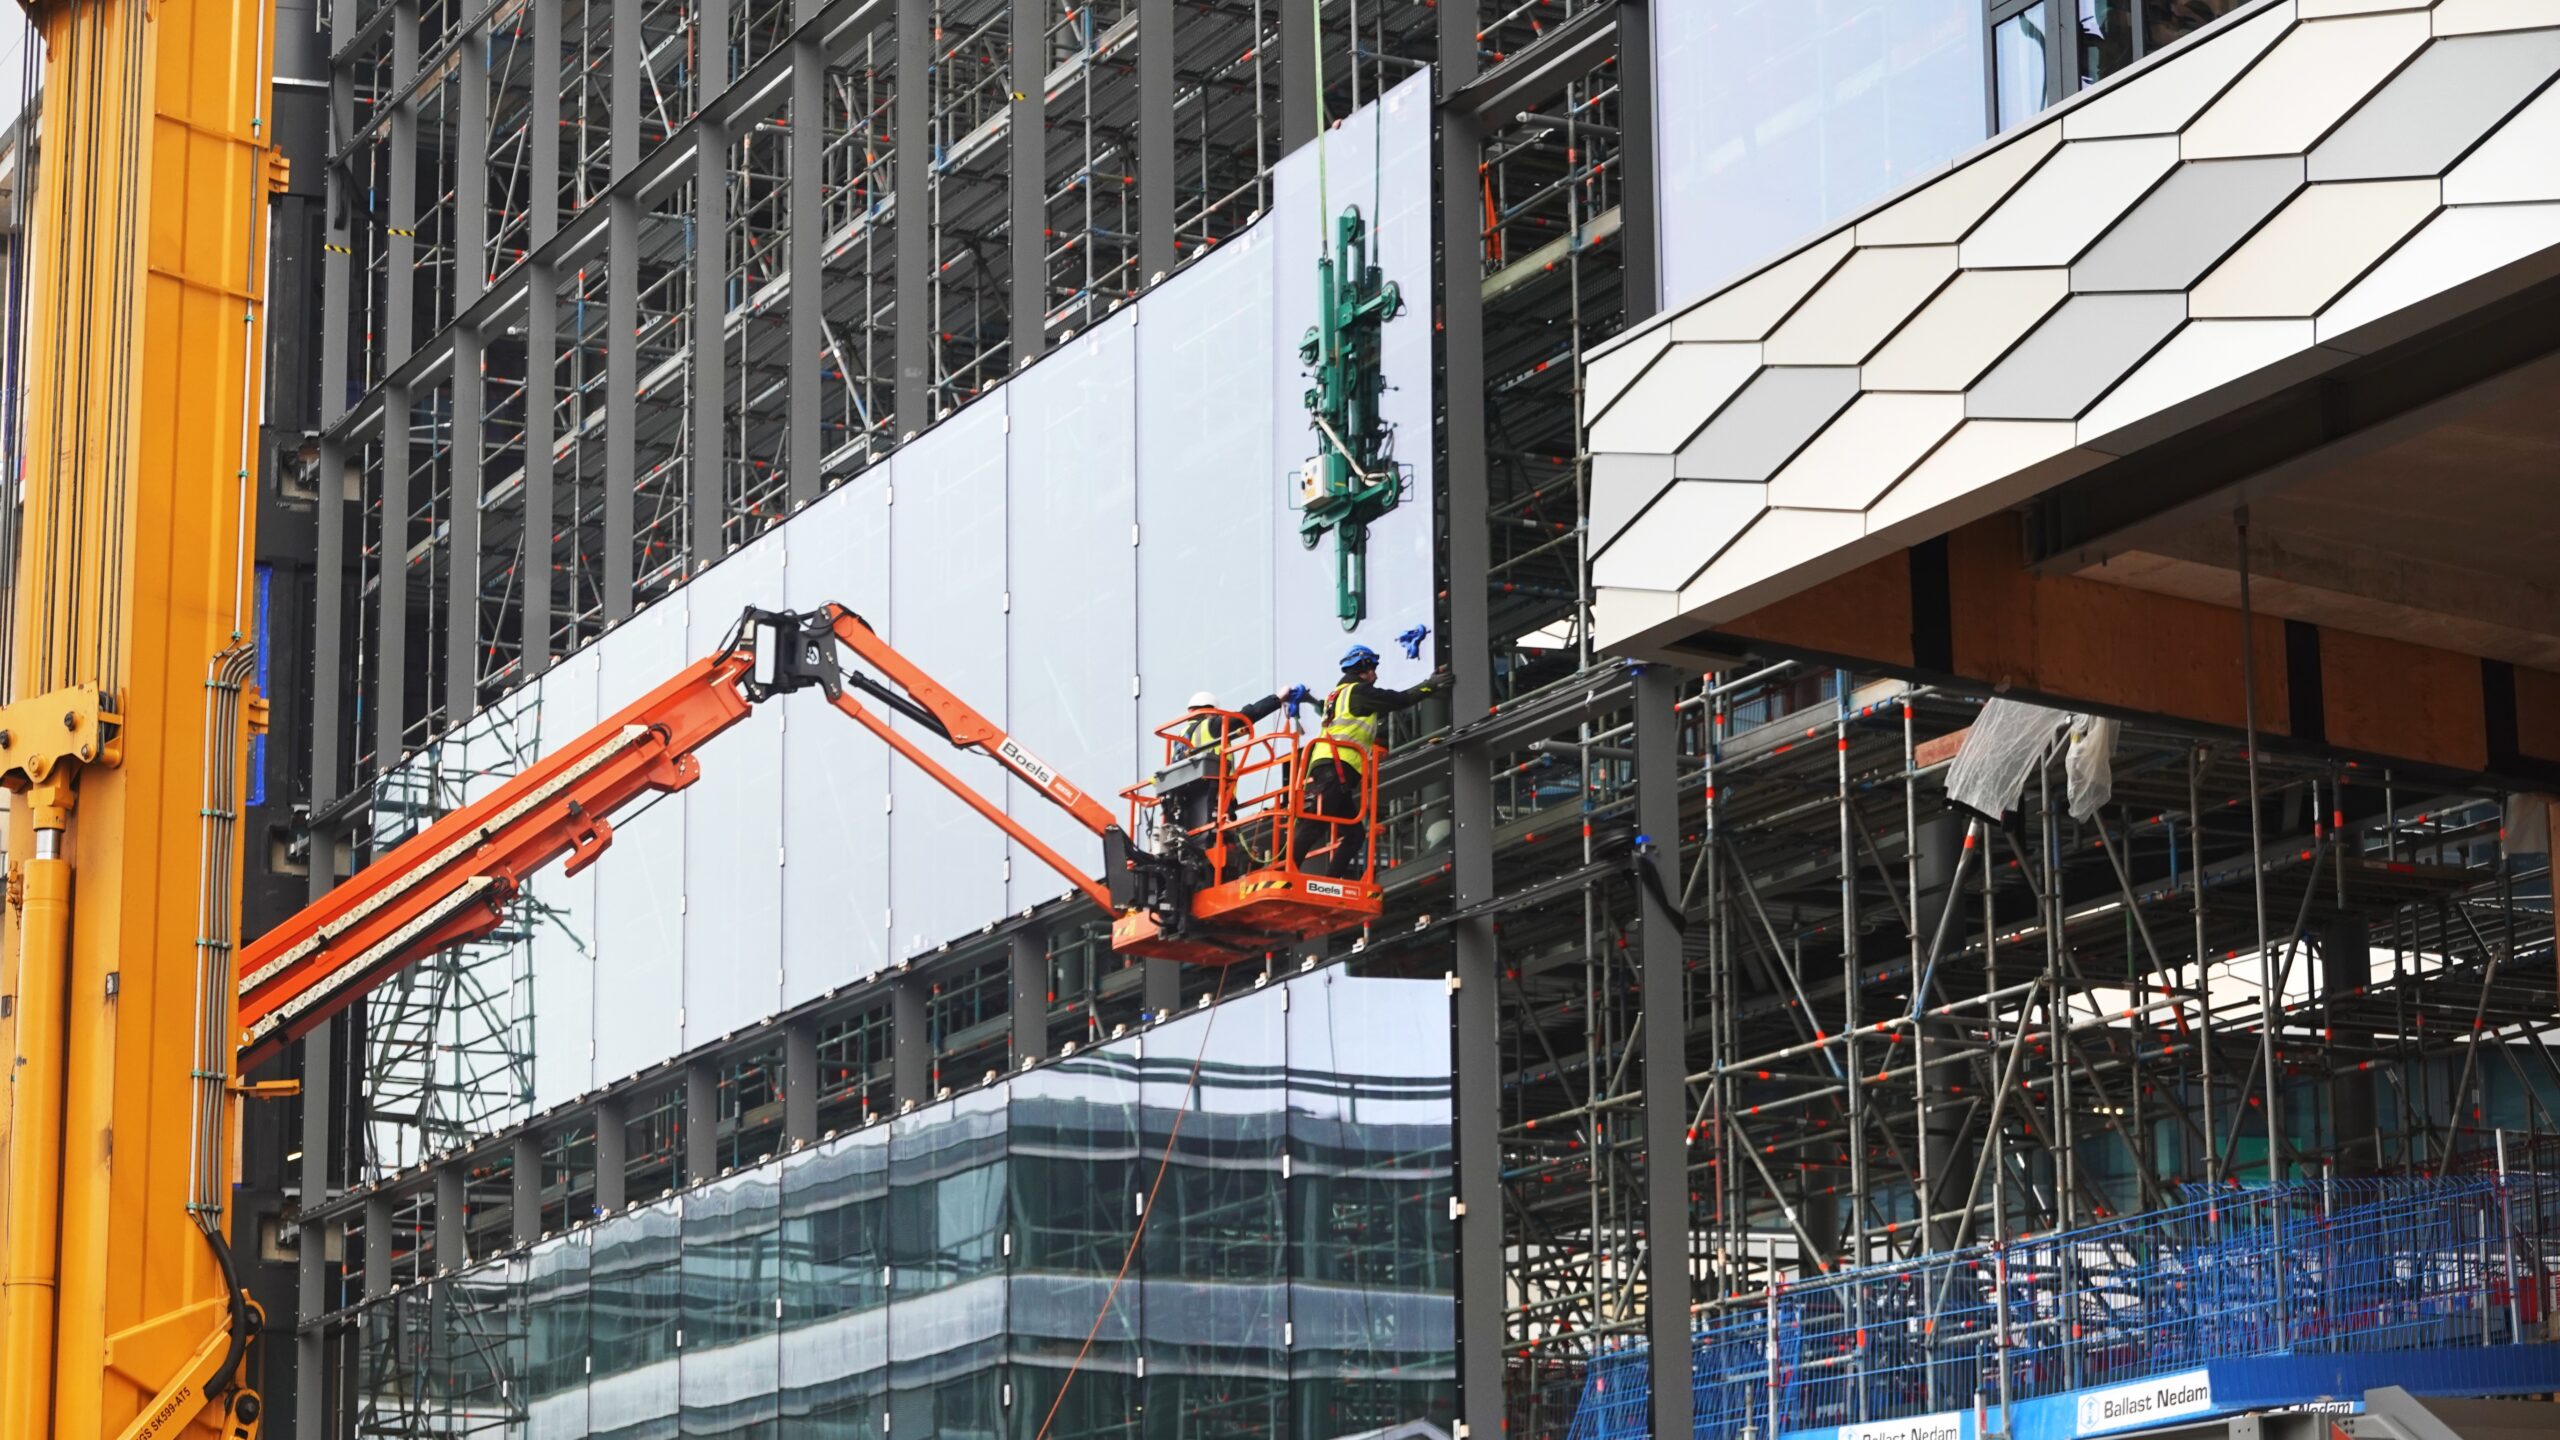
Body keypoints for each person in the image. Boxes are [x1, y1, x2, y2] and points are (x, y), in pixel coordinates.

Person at [1296, 645, 1448, 877]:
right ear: (1363, 669)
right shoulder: (1358, 693)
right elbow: (1399, 699)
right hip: (1336, 766)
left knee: (1355, 835)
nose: (1375, 676)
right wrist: (1431, 684)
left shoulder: (1336, 695)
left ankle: (1330, 882)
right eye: (1373, 669)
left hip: (1334, 768)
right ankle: (1284, 873)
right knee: (1314, 823)